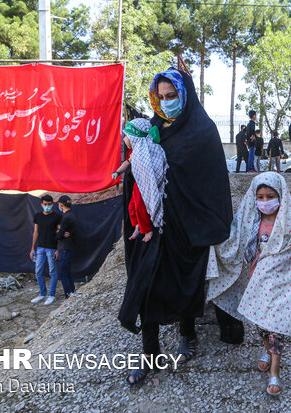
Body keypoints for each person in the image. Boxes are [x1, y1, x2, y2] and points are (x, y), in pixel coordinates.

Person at [118, 68, 234, 385]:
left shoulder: (203, 130)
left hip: (185, 224)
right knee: (145, 283)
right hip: (151, 226)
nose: (167, 102)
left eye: (173, 96)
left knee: (184, 282)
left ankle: (187, 333)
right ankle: (149, 352)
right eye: (162, 97)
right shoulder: (153, 128)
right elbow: (139, 165)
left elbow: (211, 183)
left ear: (185, 95)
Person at [207, 172, 291, 397]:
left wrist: (271, 266)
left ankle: (275, 373)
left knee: (276, 327)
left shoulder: (288, 224)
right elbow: (234, 242)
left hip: (279, 284)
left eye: (271, 196)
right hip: (255, 281)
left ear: (281, 196)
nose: (265, 201)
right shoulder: (251, 221)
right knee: (261, 324)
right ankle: (267, 351)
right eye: (260, 196)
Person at [123, 117, 169, 243]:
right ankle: (137, 226)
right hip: (139, 184)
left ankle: (147, 229)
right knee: (132, 206)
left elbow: (152, 171)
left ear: (135, 137)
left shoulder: (146, 150)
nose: (124, 139)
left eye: (126, 136)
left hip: (144, 185)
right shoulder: (138, 151)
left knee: (139, 206)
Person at [30, 194, 61, 305]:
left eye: (49, 204)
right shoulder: (38, 216)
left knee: (53, 272)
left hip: (52, 248)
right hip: (40, 248)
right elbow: (35, 232)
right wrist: (32, 248)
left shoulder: (57, 217)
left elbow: (60, 233)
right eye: (45, 204)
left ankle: (51, 295)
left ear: (52, 204)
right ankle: (42, 294)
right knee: (38, 272)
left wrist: (58, 249)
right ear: (41, 204)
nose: (47, 206)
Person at [55, 195, 76, 299]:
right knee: (67, 272)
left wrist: (58, 232)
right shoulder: (71, 215)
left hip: (65, 249)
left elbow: (58, 236)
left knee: (63, 274)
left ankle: (68, 296)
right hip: (69, 248)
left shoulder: (66, 217)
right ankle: (72, 292)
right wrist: (60, 232)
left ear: (61, 204)